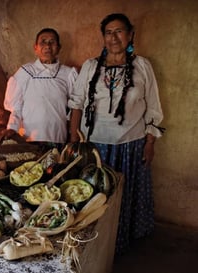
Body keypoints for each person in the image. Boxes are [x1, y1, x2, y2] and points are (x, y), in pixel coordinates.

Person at [68, 13, 165, 255]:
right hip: (96, 147)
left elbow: (153, 106)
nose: (114, 37)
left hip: (131, 144)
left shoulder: (143, 66)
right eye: (108, 32)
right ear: (103, 37)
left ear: (131, 34)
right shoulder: (91, 67)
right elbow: (77, 102)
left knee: (126, 196)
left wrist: (150, 141)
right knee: (96, 199)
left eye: (119, 31)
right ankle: (97, 247)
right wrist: (73, 137)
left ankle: (124, 243)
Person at [0, 28, 78, 150]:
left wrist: (73, 136)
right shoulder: (25, 73)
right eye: (43, 42)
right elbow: (16, 107)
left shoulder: (68, 74)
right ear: (36, 48)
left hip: (58, 137)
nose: (47, 46)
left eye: (52, 42)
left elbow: (74, 107)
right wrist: (12, 128)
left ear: (58, 48)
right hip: (29, 138)